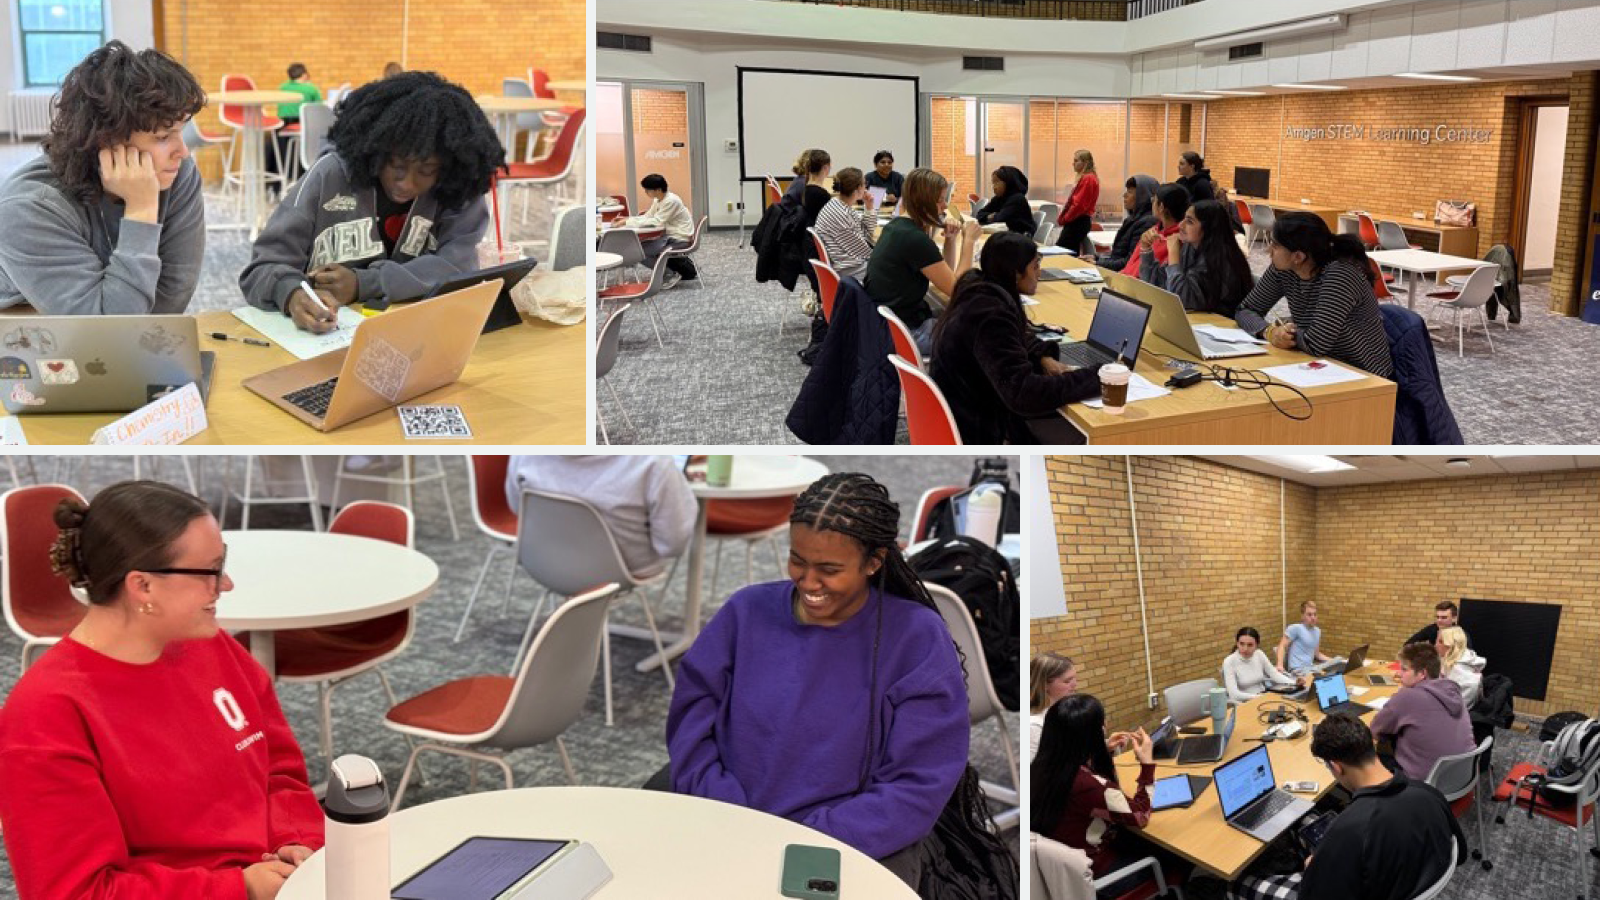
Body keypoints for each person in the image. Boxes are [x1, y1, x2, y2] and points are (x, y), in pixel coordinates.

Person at [0, 481, 323, 899]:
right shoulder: (48, 715)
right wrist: (236, 887)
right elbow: (78, 891)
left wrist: (294, 839)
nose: (224, 586)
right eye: (211, 571)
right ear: (143, 587)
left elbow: (279, 771)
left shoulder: (213, 648)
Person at [667, 473, 991, 888]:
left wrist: (806, 837)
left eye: (830, 569)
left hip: (852, 839)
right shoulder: (745, 611)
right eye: (797, 560)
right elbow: (692, 723)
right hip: (728, 820)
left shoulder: (916, 637)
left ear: (874, 562)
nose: (808, 582)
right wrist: (728, 811)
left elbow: (918, 781)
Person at [239, 70, 504, 334]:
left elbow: (459, 267)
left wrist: (365, 283)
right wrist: (290, 292)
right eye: (396, 165)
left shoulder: (455, 187)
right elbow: (261, 268)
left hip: (422, 336)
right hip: (327, 347)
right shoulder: (330, 175)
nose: (407, 183)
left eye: (426, 171)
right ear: (374, 150)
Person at [0, 41, 204, 315]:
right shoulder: (28, 208)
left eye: (181, 131)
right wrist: (142, 211)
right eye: (163, 137)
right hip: (26, 328)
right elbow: (105, 330)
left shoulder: (176, 173)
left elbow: (172, 296)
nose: (182, 151)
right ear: (105, 140)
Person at [1228, 714, 1465, 900]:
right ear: (1371, 745)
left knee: (1236, 881)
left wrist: (1315, 868)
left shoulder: (1352, 828)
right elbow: (1460, 852)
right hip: (1401, 878)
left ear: (1337, 767)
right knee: (1309, 818)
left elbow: (1316, 894)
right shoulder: (1428, 793)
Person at [930, 232, 1100, 443]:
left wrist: (1041, 356)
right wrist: (1098, 377)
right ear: (1016, 274)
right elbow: (1023, 394)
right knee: (1080, 432)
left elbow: (1013, 336)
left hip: (963, 407)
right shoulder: (991, 315)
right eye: (1035, 267)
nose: (1039, 273)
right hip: (978, 425)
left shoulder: (981, 295)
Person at [1033, 694, 1186, 897]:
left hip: (1065, 867)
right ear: (1092, 734)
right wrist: (1147, 765)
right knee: (1180, 856)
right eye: (1101, 723)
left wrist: (1101, 750)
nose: (1106, 725)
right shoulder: (1089, 786)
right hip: (1101, 874)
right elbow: (1140, 816)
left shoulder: (1042, 766)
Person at [1234, 213, 1394, 378]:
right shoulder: (1283, 270)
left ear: (1298, 256)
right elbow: (1245, 310)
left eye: (1275, 245)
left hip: (1364, 374)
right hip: (1317, 365)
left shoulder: (1341, 273)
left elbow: (1316, 343)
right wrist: (1269, 331)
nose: (1268, 250)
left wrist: (1287, 333)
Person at [505, 455, 696, 578]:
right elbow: (673, 543)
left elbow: (518, 508)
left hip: (545, 563)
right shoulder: (654, 463)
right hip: (625, 569)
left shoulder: (526, 450)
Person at [864, 167, 980, 357]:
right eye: (941, 199)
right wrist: (968, 242)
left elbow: (945, 276)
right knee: (981, 337)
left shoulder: (897, 226)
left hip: (888, 326)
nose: (945, 206)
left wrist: (950, 240)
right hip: (906, 333)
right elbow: (958, 289)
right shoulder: (914, 239)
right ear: (924, 201)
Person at [1369, 642, 1473, 782]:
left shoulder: (1406, 697)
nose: (1399, 674)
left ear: (1422, 673)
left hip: (1424, 784)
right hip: (1463, 776)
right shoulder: (1452, 690)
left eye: (1404, 669)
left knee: (1367, 759)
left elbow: (1375, 731)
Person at [1139, 198, 1254, 316]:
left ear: (1208, 228)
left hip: (1220, 328)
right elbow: (1154, 284)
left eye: (1189, 221)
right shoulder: (1189, 248)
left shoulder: (1221, 262)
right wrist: (1146, 249)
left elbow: (1180, 301)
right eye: (1184, 218)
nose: (1180, 225)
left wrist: (1173, 256)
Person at [810, 166, 877, 279]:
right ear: (859, 188)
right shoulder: (842, 214)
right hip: (850, 269)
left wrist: (869, 207)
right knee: (894, 268)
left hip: (847, 263)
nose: (866, 187)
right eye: (865, 183)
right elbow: (865, 252)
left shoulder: (837, 203)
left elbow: (867, 231)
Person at [267, 63, 321, 194]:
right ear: (304, 75)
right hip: (301, 125)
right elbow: (318, 108)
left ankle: (276, 186)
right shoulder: (311, 89)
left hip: (281, 126)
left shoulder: (283, 87)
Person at [629, 173, 696, 272]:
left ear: (658, 190)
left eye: (648, 190)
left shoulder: (671, 201)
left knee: (639, 253)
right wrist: (627, 220)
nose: (646, 192)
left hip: (679, 238)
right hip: (670, 236)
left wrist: (627, 222)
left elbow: (657, 221)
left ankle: (668, 273)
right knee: (639, 249)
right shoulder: (658, 199)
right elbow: (648, 216)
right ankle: (666, 272)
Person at [1223, 626, 1303, 702]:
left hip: (1263, 696)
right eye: (1242, 644)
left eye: (1250, 645)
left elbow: (1275, 675)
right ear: (1237, 643)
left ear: (1257, 645)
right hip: (1245, 702)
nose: (1245, 649)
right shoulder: (1229, 662)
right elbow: (1234, 695)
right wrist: (1259, 697)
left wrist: (1294, 682)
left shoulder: (1259, 654)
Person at [1125, 182, 1188, 278]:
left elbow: (1149, 279)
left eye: (1153, 200)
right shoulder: (1154, 230)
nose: (1152, 204)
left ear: (1161, 207)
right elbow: (1130, 266)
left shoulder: (1175, 241)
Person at [1097, 174, 1158, 272]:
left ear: (1142, 196)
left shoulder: (1147, 223)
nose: (1124, 195)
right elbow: (1117, 254)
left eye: (1130, 192)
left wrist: (1097, 263)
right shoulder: (1132, 219)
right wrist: (1096, 258)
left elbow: (1129, 262)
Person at [1029, 652, 1077, 760]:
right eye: (1067, 681)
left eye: (1074, 678)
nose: (1074, 685)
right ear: (1045, 685)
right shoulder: (1034, 726)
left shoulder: (1065, 710)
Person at [1054, 150, 1099, 253]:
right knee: (1070, 251)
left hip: (1078, 220)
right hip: (1077, 220)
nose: (1073, 163)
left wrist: (1065, 218)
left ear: (1085, 163)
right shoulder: (1088, 178)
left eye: (1076, 160)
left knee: (1062, 252)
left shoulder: (1088, 179)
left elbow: (1079, 204)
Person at [973, 165, 1035, 235]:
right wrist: (990, 216)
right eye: (993, 183)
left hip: (1022, 238)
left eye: (997, 182)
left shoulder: (1017, 199)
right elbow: (979, 214)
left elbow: (999, 219)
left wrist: (992, 216)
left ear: (1008, 183)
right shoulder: (998, 198)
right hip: (1007, 235)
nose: (994, 187)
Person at [1436, 626, 1485, 708]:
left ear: (1451, 645)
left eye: (1440, 641)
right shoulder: (1449, 664)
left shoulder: (1459, 671)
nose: (1436, 645)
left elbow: (1455, 707)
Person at [1276, 600, 1331, 674]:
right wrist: (1279, 665)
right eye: (1309, 614)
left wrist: (1335, 660)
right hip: (1297, 670)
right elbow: (1281, 646)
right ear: (1302, 616)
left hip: (1310, 669)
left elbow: (1317, 654)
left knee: (1330, 675)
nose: (1313, 617)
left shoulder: (1317, 631)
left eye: (1315, 614)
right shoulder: (1295, 628)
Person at [1405, 600, 1470, 650]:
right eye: (1437, 617)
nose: (1439, 620)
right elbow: (1408, 644)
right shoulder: (1432, 628)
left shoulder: (1462, 635)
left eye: (1444, 617)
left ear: (1454, 618)